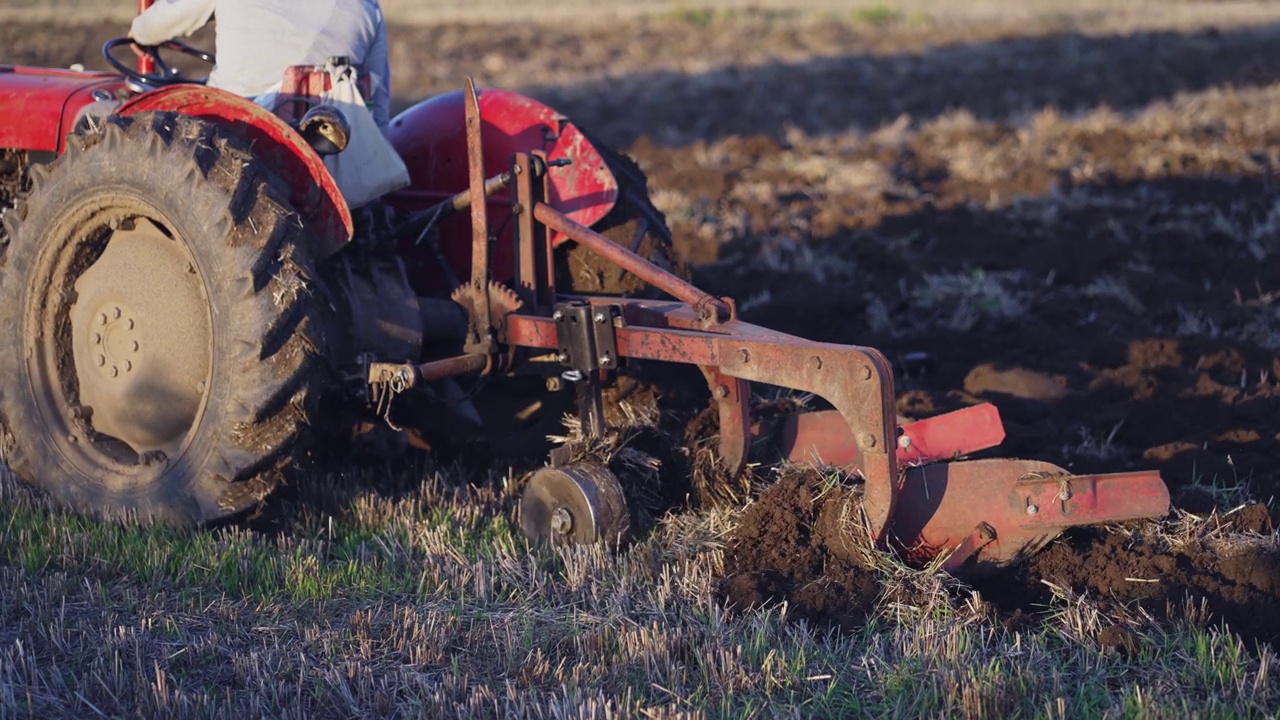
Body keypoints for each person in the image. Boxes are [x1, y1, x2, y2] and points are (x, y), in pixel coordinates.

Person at [128, 0, 391, 128]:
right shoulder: (367, 7)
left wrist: (140, 32)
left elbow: (157, 24)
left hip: (232, 132)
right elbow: (378, 110)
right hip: (331, 149)